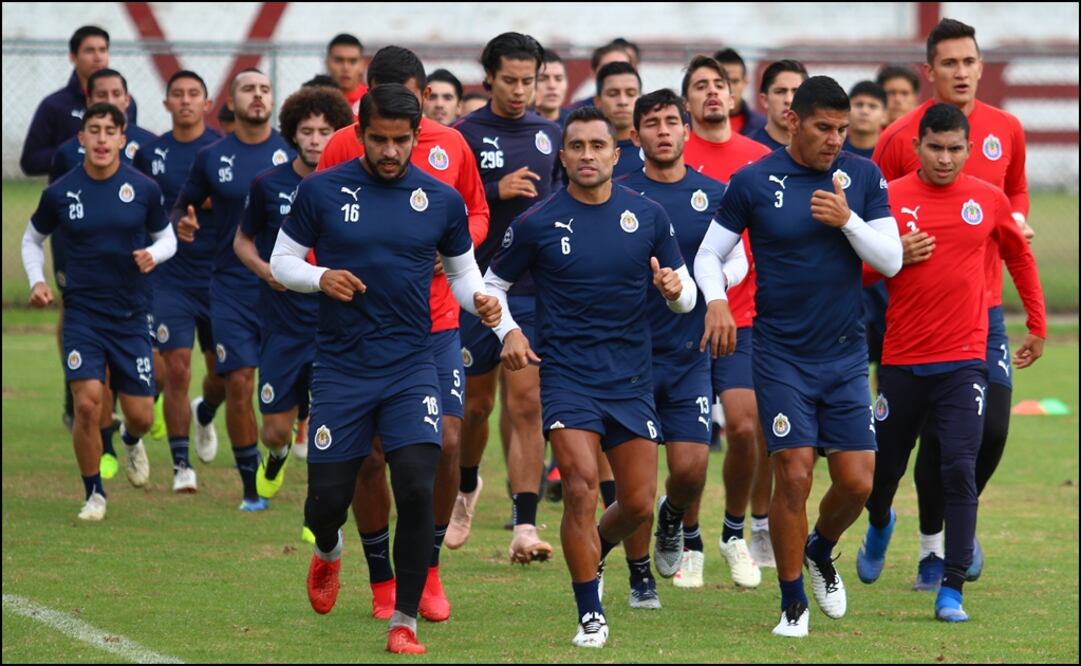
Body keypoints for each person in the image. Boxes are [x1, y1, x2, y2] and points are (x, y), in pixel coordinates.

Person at [270, 83, 500, 655]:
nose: (390, 151)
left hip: (410, 365)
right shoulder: (321, 190)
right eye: (378, 140)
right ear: (360, 134)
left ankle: (404, 621)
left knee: (417, 487)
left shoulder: (440, 200)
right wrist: (320, 277)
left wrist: (484, 305)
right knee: (326, 503)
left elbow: (462, 275)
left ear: (417, 136)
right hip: (342, 366)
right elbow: (281, 260)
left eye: (401, 140)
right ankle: (328, 550)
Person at [696, 76, 902, 637]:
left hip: (844, 354)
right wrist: (716, 301)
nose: (835, 139)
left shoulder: (862, 176)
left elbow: (891, 260)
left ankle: (820, 548)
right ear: (793, 121)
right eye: (823, 127)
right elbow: (709, 255)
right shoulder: (753, 181)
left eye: (842, 129)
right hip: (780, 354)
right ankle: (792, 604)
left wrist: (848, 220)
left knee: (857, 483)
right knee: (794, 473)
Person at [485, 106, 697, 647]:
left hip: (631, 379)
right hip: (568, 378)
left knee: (639, 504)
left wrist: (675, 292)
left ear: (616, 153)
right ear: (562, 156)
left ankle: (593, 552)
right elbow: (490, 286)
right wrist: (509, 332)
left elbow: (685, 293)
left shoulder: (647, 215)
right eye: (576, 146)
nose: (587, 155)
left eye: (597, 146)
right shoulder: (536, 222)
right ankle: (589, 614)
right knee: (580, 486)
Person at [317, 44, 489, 623]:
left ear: (422, 101)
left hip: (435, 324)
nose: (390, 140)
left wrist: (451, 251)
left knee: (446, 444)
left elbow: (476, 214)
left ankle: (428, 567)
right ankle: (380, 578)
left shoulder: (453, 146)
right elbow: (315, 226)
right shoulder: (343, 146)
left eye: (407, 106)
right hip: (361, 330)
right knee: (368, 458)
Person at [856, 103, 1045, 622]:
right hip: (902, 359)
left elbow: (1018, 255)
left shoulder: (987, 199)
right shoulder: (888, 199)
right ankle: (880, 522)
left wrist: (1037, 322)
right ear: (917, 147)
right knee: (882, 472)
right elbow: (856, 269)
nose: (944, 158)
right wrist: (894, 256)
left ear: (968, 149)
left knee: (960, 466)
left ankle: (952, 587)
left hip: (965, 358)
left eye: (955, 149)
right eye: (935, 148)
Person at [617, 88, 749, 608]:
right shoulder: (619, 194)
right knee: (636, 486)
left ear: (687, 130)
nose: (664, 131)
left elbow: (738, 259)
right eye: (652, 123)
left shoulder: (714, 194)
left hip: (689, 352)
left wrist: (711, 290)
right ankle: (640, 578)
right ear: (636, 135)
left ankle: (672, 519)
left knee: (691, 470)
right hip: (629, 356)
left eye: (672, 121)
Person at [21, 102, 176, 520]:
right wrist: (37, 281)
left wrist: (154, 254)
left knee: (141, 416)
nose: (102, 138)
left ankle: (130, 439)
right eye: (94, 130)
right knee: (88, 404)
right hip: (82, 315)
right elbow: (32, 239)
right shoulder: (60, 192)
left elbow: (168, 237)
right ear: (82, 138)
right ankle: (94, 494)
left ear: (122, 139)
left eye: (110, 131)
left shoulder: (143, 189)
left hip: (131, 316)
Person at [448, 32, 562, 565]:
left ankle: (524, 524)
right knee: (477, 406)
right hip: (475, 287)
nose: (519, 91)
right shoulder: (462, 136)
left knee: (527, 404)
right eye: (509, 80)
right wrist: (496, 191)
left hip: (532, 291)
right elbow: (446, 208)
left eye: (528, 81)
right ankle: (466, 485)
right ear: (488, 77)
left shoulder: (551, 134)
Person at [172, 68, 294, 511]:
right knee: (240, 381)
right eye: (248, 89)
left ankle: (212, 414)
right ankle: (250, 489)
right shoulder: (211, 156)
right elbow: (182, 206)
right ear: (232, 101)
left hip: (286, 290)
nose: (257, 95)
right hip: (230, 286)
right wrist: (183, 222)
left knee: (288, 394)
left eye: (264, 89)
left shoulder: (291, 153)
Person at [234, 86, 354, 505]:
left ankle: (320, 512)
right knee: (275, 431)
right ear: (292, 133)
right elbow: (242, 241)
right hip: (282, 327)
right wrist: (265, 270)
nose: (315, 140)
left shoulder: (353, 185)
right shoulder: (268, 184)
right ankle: (277, 455)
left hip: (333, 328)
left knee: (330, 429)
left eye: (325, 131)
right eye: (307, 131)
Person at [679, 54, 773, 585]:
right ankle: (688, 538)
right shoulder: (671, 154)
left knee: (742, 426)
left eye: (720, 84)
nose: (712, 92)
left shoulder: (759, 159)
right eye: (700, 86)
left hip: (745, 317)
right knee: (691, 442)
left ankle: (733, 532)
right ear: (686, 102)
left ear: (734, 95)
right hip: (680, 322)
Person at [134, 70, 224, 491]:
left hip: (221, 277)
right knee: (176, 367)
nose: (186, 100)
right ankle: (181, 465)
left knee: (225, 375)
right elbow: (141, 211)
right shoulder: (150, 154)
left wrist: (206, 205)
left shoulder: (223, 151)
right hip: (170, 278)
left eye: (193, 94)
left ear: (207, 104)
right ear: (167, 103)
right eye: (178, 94)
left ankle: (204, 412)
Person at [20, 25, 138, 176]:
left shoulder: (127, 103)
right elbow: (30, 162)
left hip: (118, 187)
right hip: (72, 187)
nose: (98, 57)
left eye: (102, 50)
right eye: (90, 51)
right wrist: (77, 150)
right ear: (73, 57)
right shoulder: (54, 105)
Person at [594, 61, 643, 177]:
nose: (622, 101)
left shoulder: (654, 147)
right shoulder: (584, 151)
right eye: (613, 94)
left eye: (630, 94)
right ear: (598, 101)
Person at [747, 60, 809, 151]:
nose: (789, 100)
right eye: (780, 92)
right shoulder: (746, 149)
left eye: (796, 92)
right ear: (764, 100)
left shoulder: (820, 149)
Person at [714, 47, 767, 136]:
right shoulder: (691, 126)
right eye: (721, 82)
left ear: (745, 82)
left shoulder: (763, 127)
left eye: (734, 81)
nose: (729, 88)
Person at [325, 33, 367, 113]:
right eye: (339, 60)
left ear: (362, 64)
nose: (345, 68)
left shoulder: (373, 102)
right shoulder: (314, 101)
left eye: (353, 61)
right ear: (327, 63)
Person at [844, 81, 888, 158]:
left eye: (872, 106)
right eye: (859, 105)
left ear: (884, 115)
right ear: (846, 111)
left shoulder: (891, 152)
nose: (864, 111)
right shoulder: (833, 149)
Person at [534, 50, 570, 126]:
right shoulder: (516, 125)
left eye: (558, 79)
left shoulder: (575, 123)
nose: (552, 85)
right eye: (542, 79)